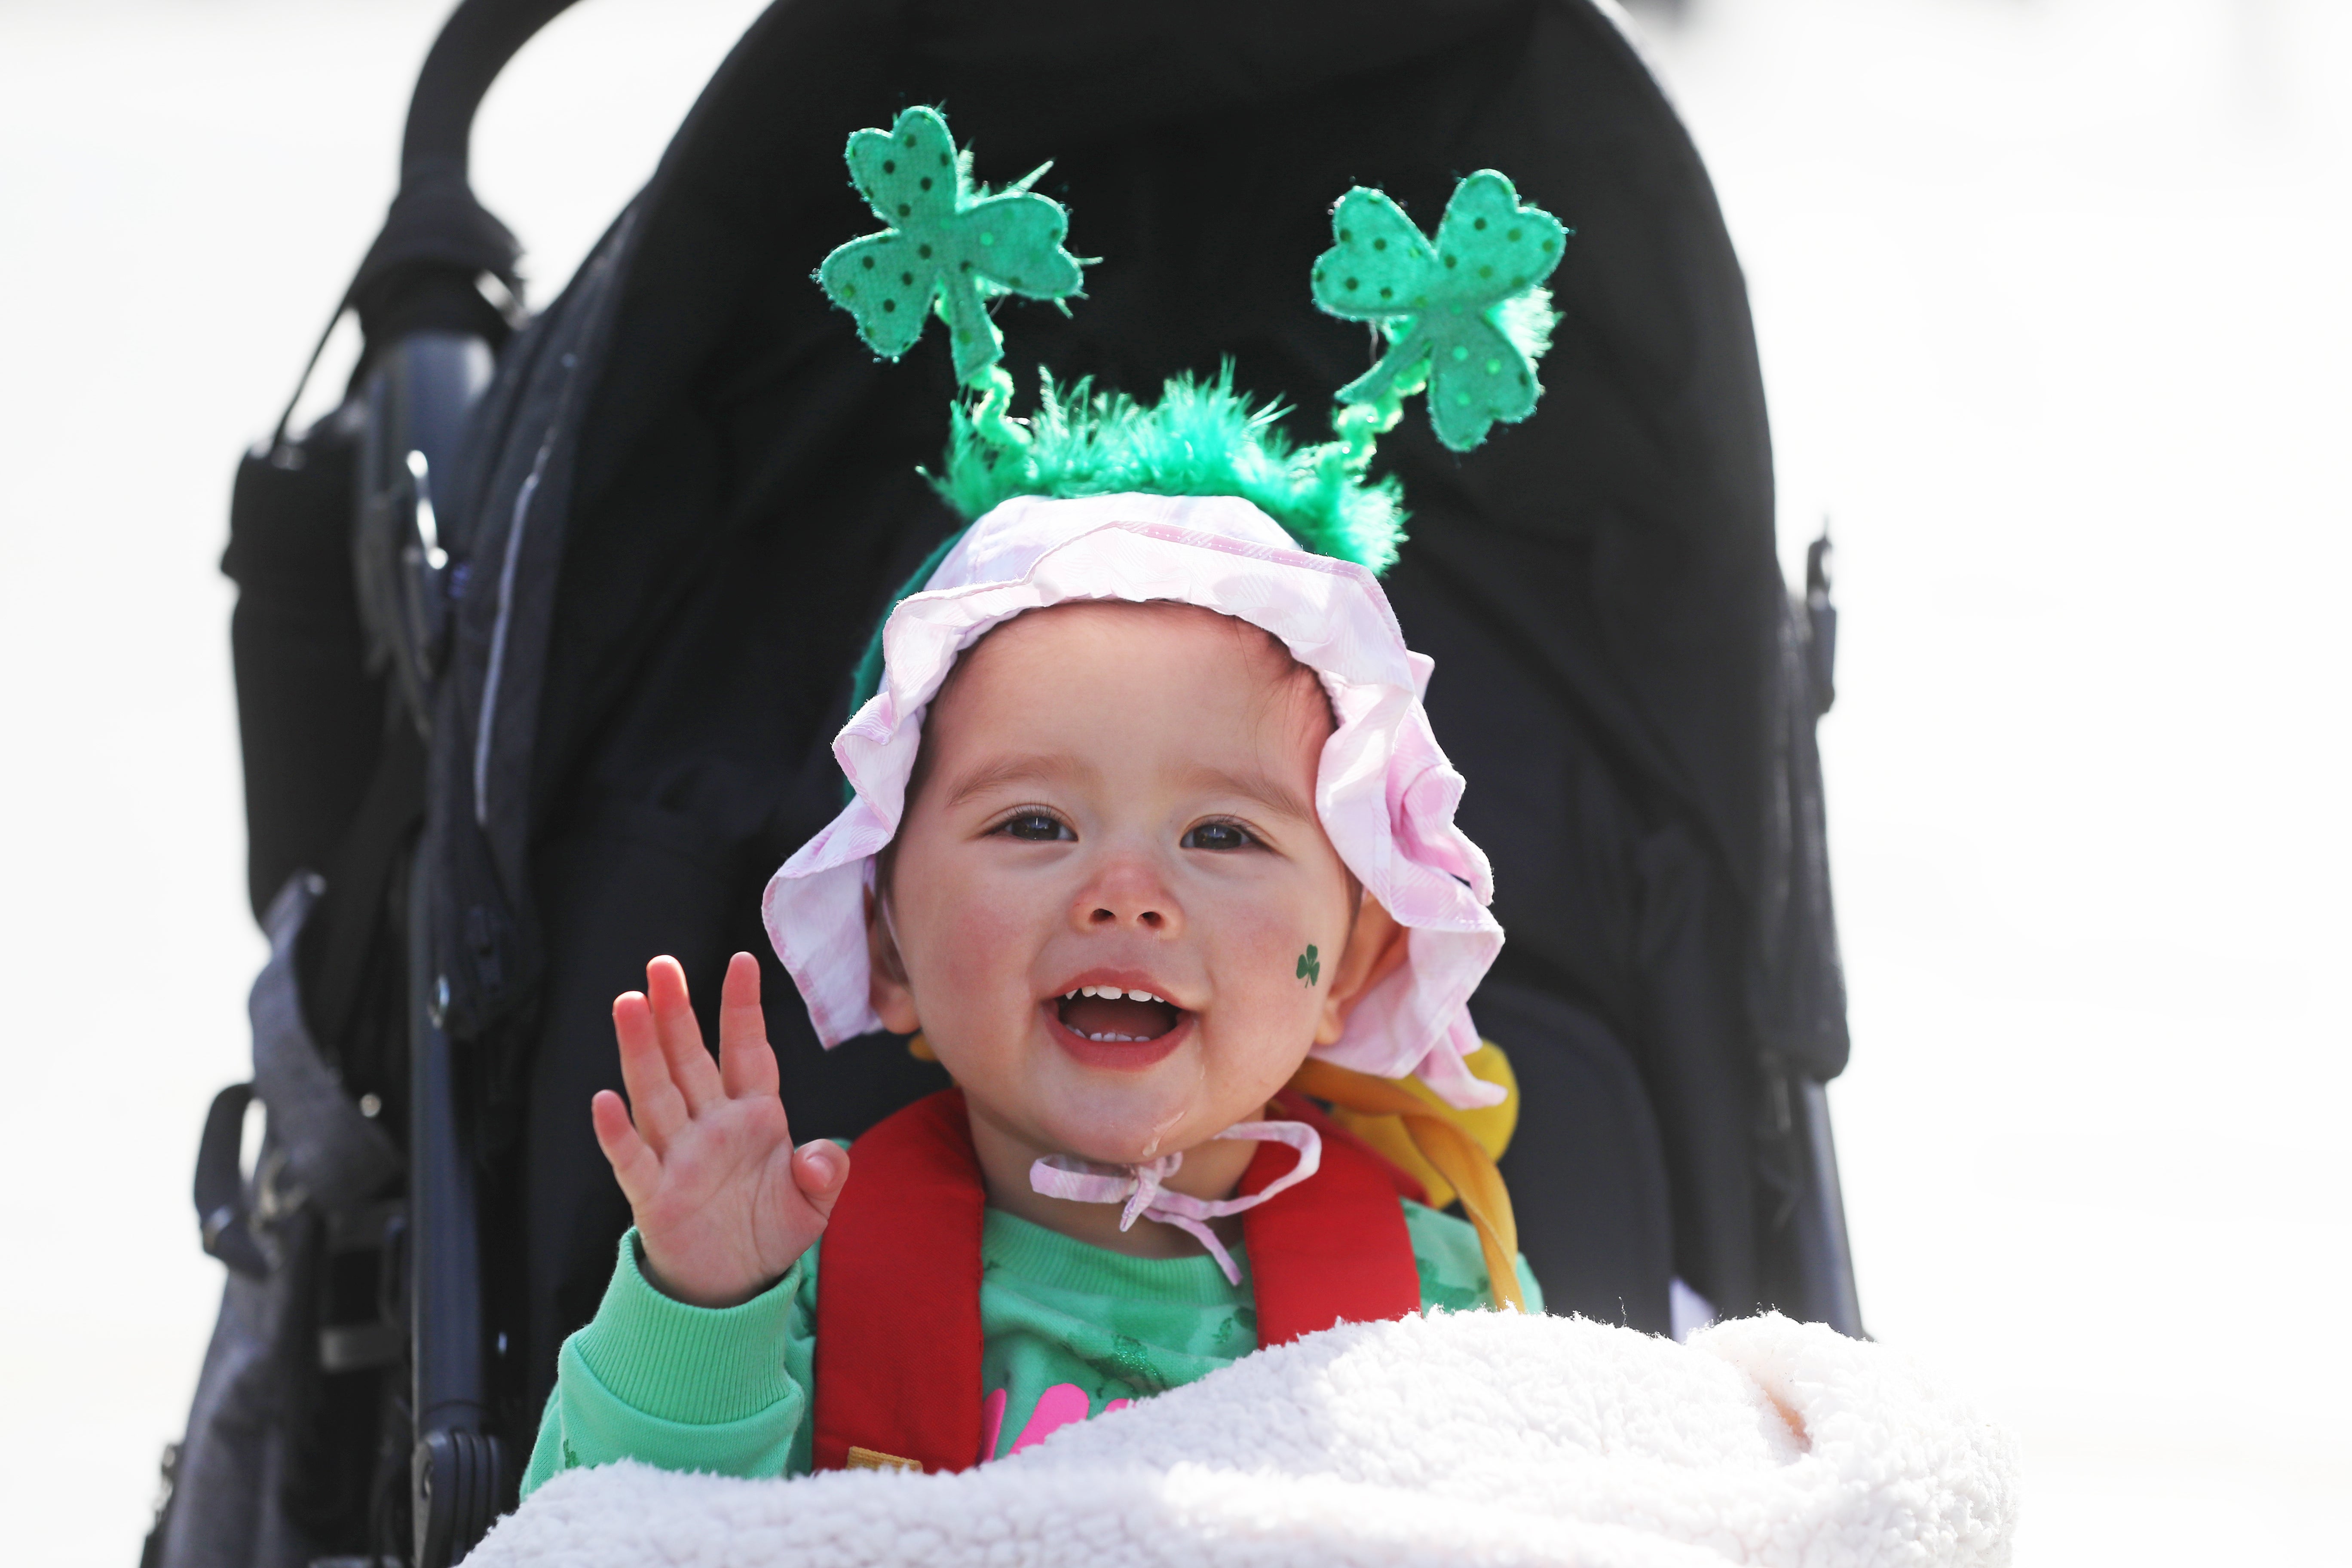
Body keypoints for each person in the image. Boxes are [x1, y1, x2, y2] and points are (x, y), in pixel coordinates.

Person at [520, 105, 1571, 1492]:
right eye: (1033, 825)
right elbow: (610, 1539)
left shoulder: (1442, 1301)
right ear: (885, 939)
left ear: (1357, 962)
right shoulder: (802, 1280)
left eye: (1221, 834)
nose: (1124, 889)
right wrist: (700, 1309)